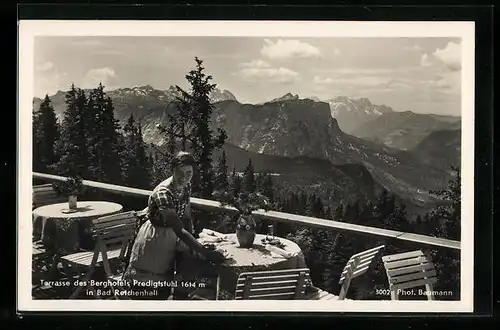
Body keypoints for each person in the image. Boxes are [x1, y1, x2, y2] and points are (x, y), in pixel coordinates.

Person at [122, 151, 225, 300]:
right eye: (180, 173)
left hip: (173, 235)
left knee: (170, 280)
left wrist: (193, 240)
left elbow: (186, 215)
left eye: (188, 172)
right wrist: (204, 252)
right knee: (149, 284)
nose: (184, 177)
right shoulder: (163, 193)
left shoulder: (186, 186)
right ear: (172, 171)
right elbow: (179, 229)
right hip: (156, 236)